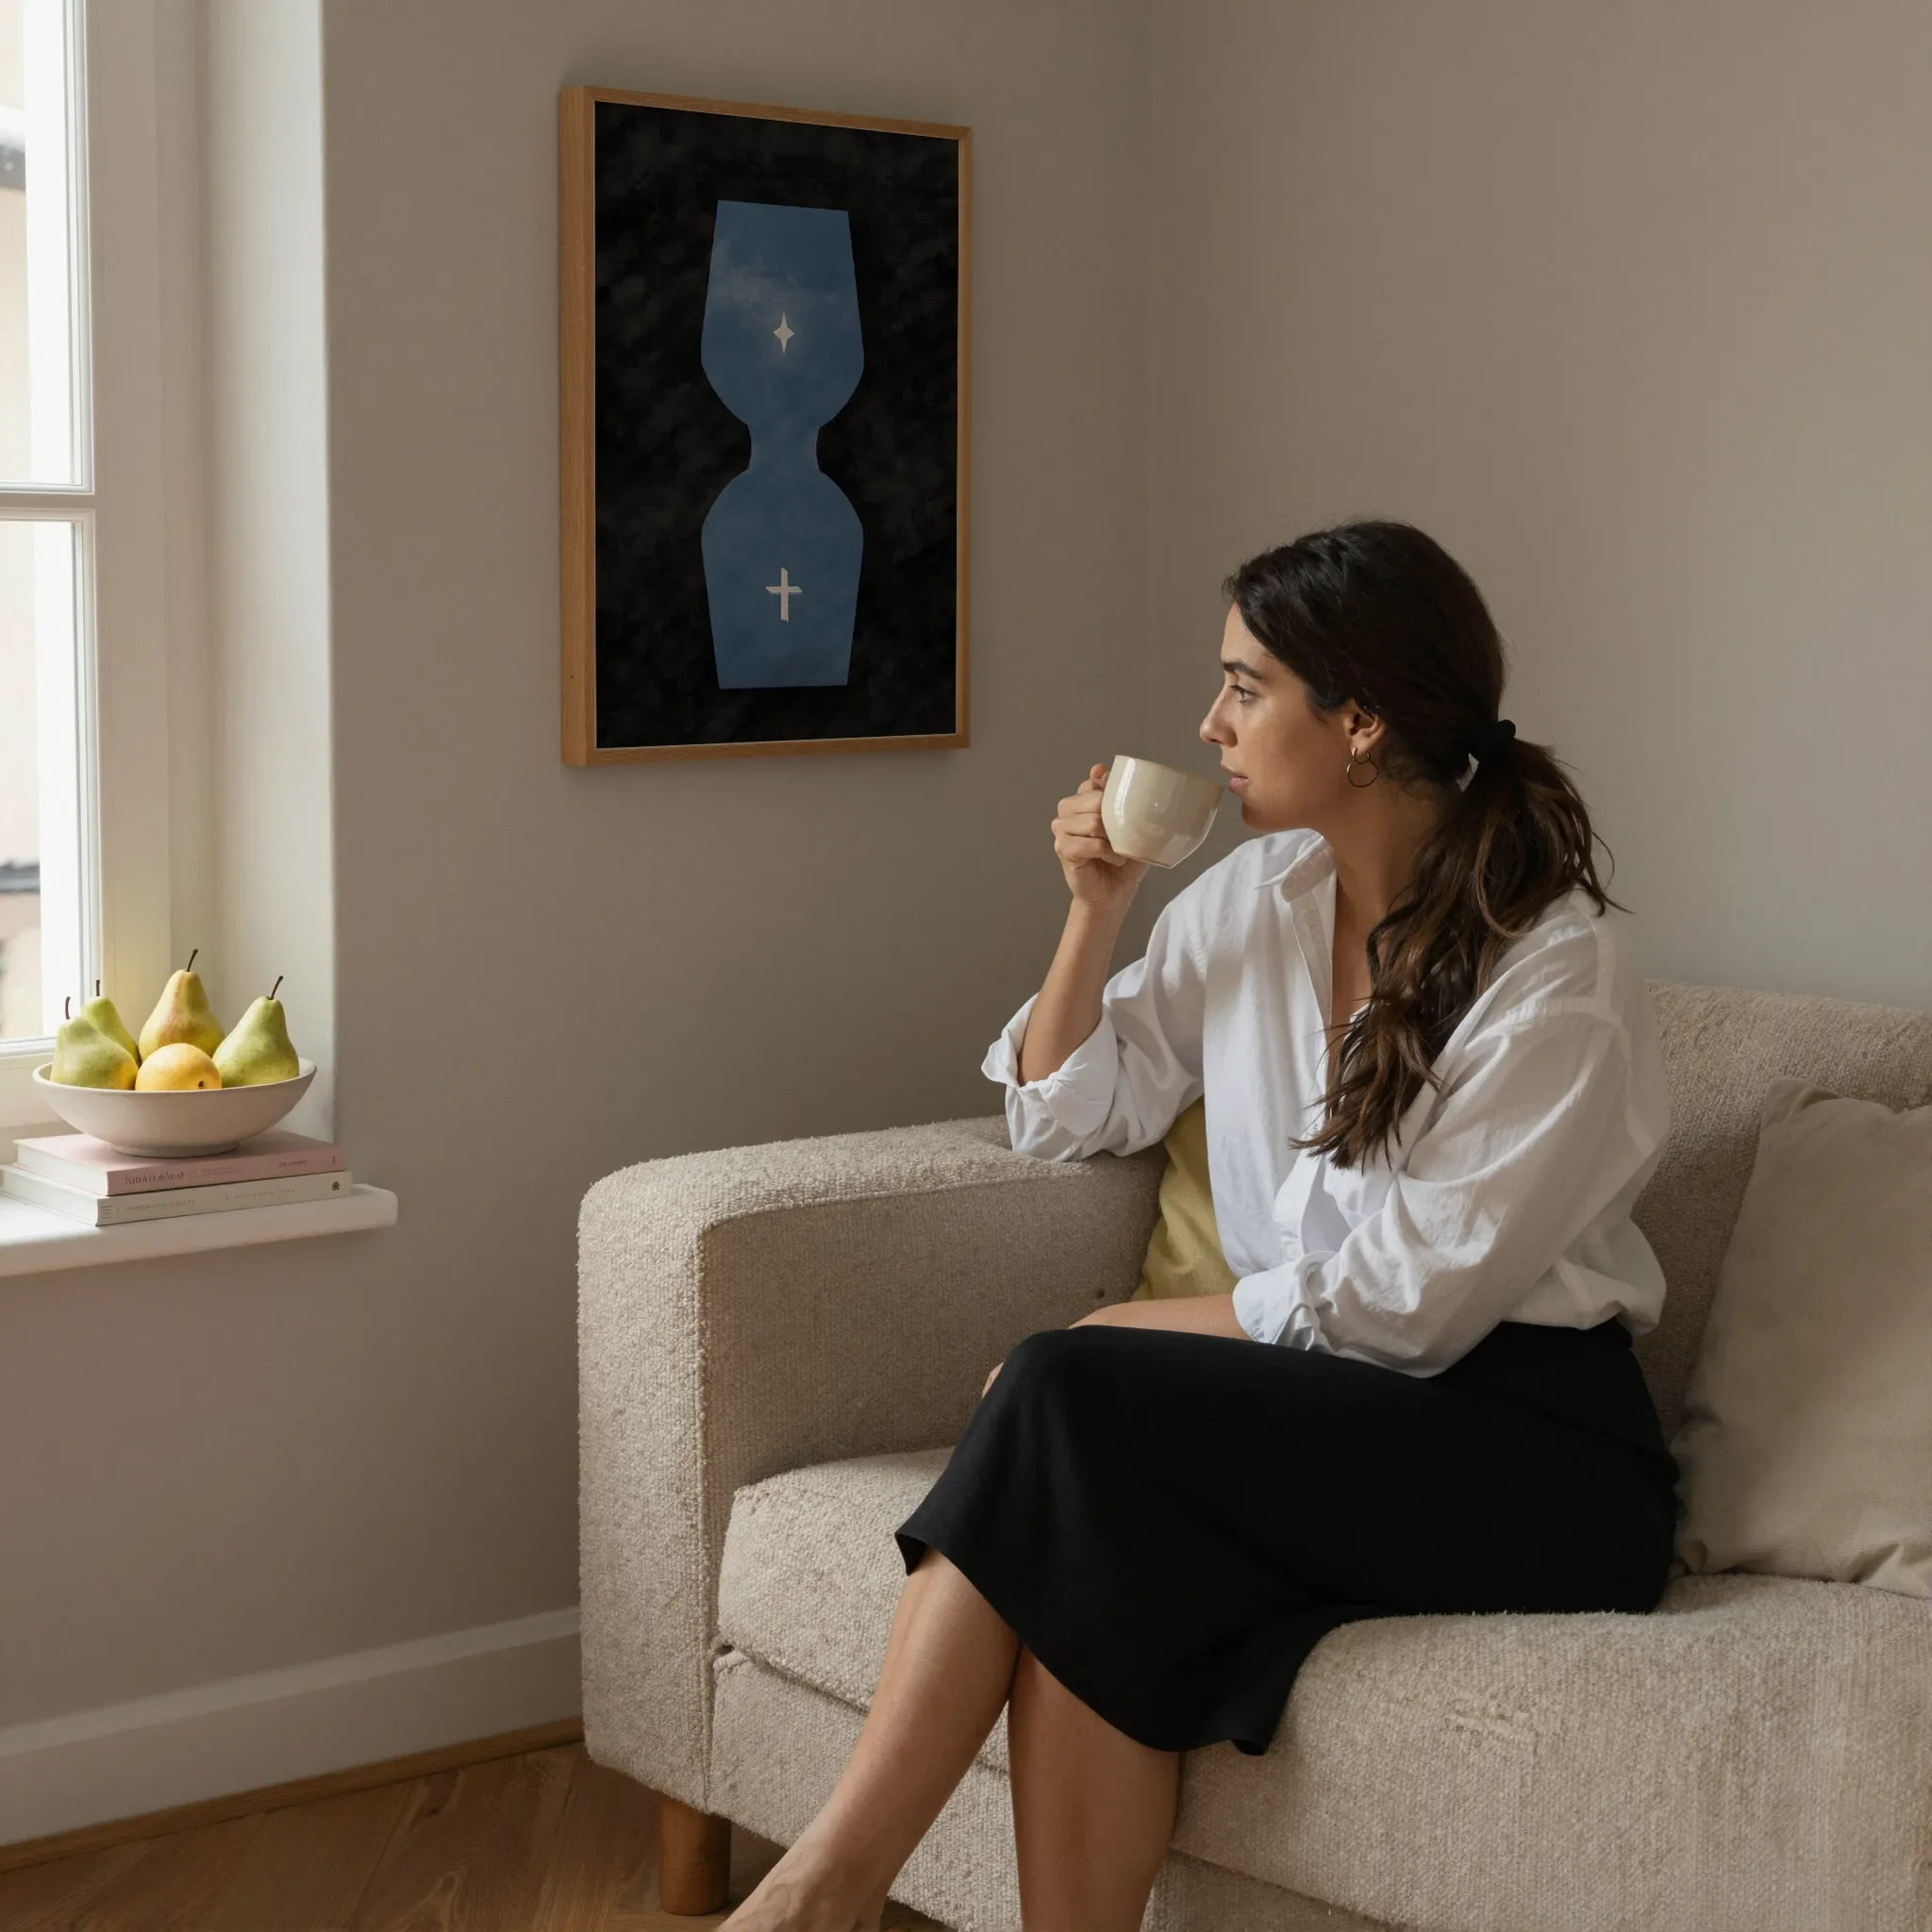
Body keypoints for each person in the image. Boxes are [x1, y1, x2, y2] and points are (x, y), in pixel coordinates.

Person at [722, 520, 1679, 1932]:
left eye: (1245, 686)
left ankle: (822, 1893)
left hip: (1528, 1455)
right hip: (1327, 1418)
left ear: (1358, 721)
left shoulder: (1557, 974)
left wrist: (1117, 1337)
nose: (1207, 722)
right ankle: (836, 1898)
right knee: (1089, 1548)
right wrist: (1094, 912)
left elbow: (1403, 1305)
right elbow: (1065, 1115)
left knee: (1061, 1389)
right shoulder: (1251, 902)